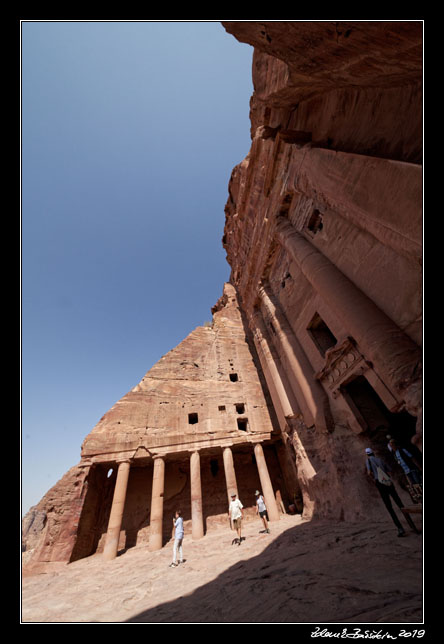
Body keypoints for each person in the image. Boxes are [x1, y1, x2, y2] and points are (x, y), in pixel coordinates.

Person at [365, 448, 420, 537]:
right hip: (388, 482)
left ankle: (400, 528)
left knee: (389, 507)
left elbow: (369, 472)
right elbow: (389, 470)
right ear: (373, 453)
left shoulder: (368, 461)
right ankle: (412, 525)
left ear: (367, 454)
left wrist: (374, 479)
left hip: (380, 483)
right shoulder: (380, 459)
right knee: (399, 503)